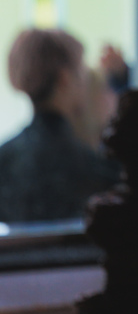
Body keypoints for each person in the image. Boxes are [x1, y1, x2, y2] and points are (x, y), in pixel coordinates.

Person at [0, 28, 121, 223]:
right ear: (65, 79)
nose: (85, 81)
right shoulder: (90, 164)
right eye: (81, 72)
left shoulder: (5, 158)